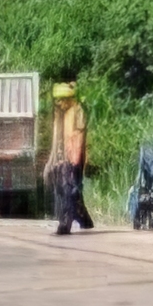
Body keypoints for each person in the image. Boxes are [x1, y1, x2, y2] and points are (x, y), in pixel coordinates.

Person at [46, 82, 91, 235]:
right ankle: (85, 221)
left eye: (61, 100)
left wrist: (75, 160)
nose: (58, 103)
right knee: (70, 191)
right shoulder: (65, 114)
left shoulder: (78, 111)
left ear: (69, 98)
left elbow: (79, 137)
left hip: (74, 158)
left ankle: (65, 224)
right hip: (67, 158)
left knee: (69, 191)